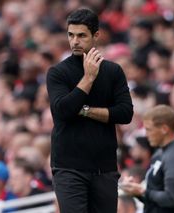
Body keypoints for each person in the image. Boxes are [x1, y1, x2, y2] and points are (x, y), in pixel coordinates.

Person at [46, 8, 133, 213]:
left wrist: (83, 109)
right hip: (68, 167)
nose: (75, 41)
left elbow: (125, 113)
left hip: (104, 167)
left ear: (96, 36)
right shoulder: (58, 72)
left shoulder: (113, 71)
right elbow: (62, 111)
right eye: (71, 35)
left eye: (81, 35)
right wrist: (88, 78)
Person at [120, 105, 174, 213]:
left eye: (149, 130)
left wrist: (142, 190)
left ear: (164, 129)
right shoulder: (159, 153)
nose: (147, 135)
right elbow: (154, 200)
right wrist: (136, 191)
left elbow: (172, 199)